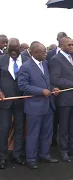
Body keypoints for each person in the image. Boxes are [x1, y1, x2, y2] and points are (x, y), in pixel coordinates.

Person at [18, 42, 60, 169]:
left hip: (48, 105)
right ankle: (31, 158)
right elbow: (22, 85)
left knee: (47, 132)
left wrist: (54, 88)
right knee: (33, 134)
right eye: (43, 52)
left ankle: (45, 155)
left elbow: (48, 82)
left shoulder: (45, 64)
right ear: (35, 53)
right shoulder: (25, 67)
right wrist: (40, 91)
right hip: (34, 107)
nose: (46, 54)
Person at [49, 37, 73, 162]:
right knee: (64, 127)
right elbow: (55, 79)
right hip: (65, 99)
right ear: (61, 46)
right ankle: (64, 151)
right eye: (69, 45)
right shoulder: (56, 59)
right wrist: (72, 84)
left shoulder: (72, 57)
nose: (72, 47)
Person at [0, 38, 28, 169]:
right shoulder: (1, 60)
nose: (13, 51)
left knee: (19, 129)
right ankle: (2, 157)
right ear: (7, 49)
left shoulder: (27, 61)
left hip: (21, 101)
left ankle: (17, 155)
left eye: (16, 49)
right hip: (5, 102)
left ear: (19, 49)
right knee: (4, 129)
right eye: (10, 49)